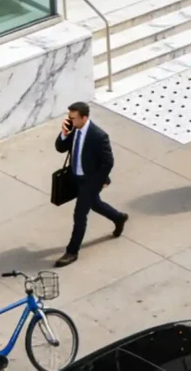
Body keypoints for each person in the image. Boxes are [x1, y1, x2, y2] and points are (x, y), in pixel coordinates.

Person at [53, 102, 127, 267]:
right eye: (69, 118)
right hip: (76, 177)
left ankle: (72, 251)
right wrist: (64, 134)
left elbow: (108, 162)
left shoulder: (98, 136)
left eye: (73, 118)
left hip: (90, 181)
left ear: (84, 118)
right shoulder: (74, 129)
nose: (70, 121)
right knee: (95, 204)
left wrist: (99, 181)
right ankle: (118, 217)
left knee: (79, 215)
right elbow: (60, 148)